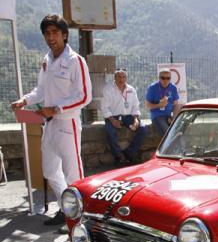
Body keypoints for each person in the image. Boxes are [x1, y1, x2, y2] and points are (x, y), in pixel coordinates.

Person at [11, 13, 92, 228]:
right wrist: (24, 100)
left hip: (68, 124)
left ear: (64, 35)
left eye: (55, 32)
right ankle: (67, 208)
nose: (50, 37)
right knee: (49, 171)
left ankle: (79, 218)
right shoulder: (47, 60)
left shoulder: (76, 61)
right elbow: (41, 90)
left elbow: (85, 96)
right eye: (47, 33)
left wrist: (56, 109)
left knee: (73, 173)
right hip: (49, 124)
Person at [101, 69, 147, 165]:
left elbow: (135, 105)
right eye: (119, 77)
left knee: (143, 129)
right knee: (110, 131)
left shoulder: (131, 89)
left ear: (126, 78)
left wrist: (136, 119)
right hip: (112, 116)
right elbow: (105, 107)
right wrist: (113, 120)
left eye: (123, 77)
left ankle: (128, 153)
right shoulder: (108, 89)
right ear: (115, 78)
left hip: (128, 117)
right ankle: (118, 156)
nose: (121, 79)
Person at [145, 68, 179, 136]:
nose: (165, 80)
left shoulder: (173, 87)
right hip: (157, 116)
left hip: (169, 116)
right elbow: (147, 105)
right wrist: (159, 105)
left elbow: (175, 104)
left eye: (168, 78)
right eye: (163, 78)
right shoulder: (152, 88)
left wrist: (173, 117)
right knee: (168, 133)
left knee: (178, 131)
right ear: (159, 78)